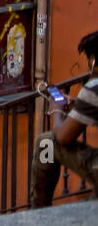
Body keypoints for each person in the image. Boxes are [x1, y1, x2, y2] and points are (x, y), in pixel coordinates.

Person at [30, 30, 98, 207]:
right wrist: (79, 105)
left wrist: (57, 110)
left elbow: (63, 137)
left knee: (46, 142)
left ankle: (39, 210)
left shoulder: (94, 89)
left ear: (94, 60)